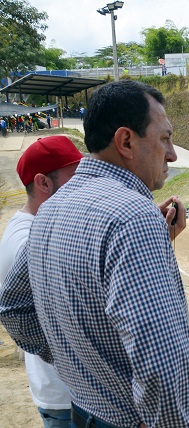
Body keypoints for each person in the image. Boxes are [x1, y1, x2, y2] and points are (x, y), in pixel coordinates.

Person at [0, 80, 189, 428]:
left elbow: (14, 307)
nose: (172, 154)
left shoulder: (50, 210)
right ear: (126, 141)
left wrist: (80, 363)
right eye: (164, 139)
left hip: (82, 411)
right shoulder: (134, 216)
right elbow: (162, 360)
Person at [0, 135, 83, 428]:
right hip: (67, 398)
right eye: (75, 178)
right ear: (43, 183)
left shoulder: (34, 227)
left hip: (64, 392)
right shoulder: (28, 241)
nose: (83, 186)